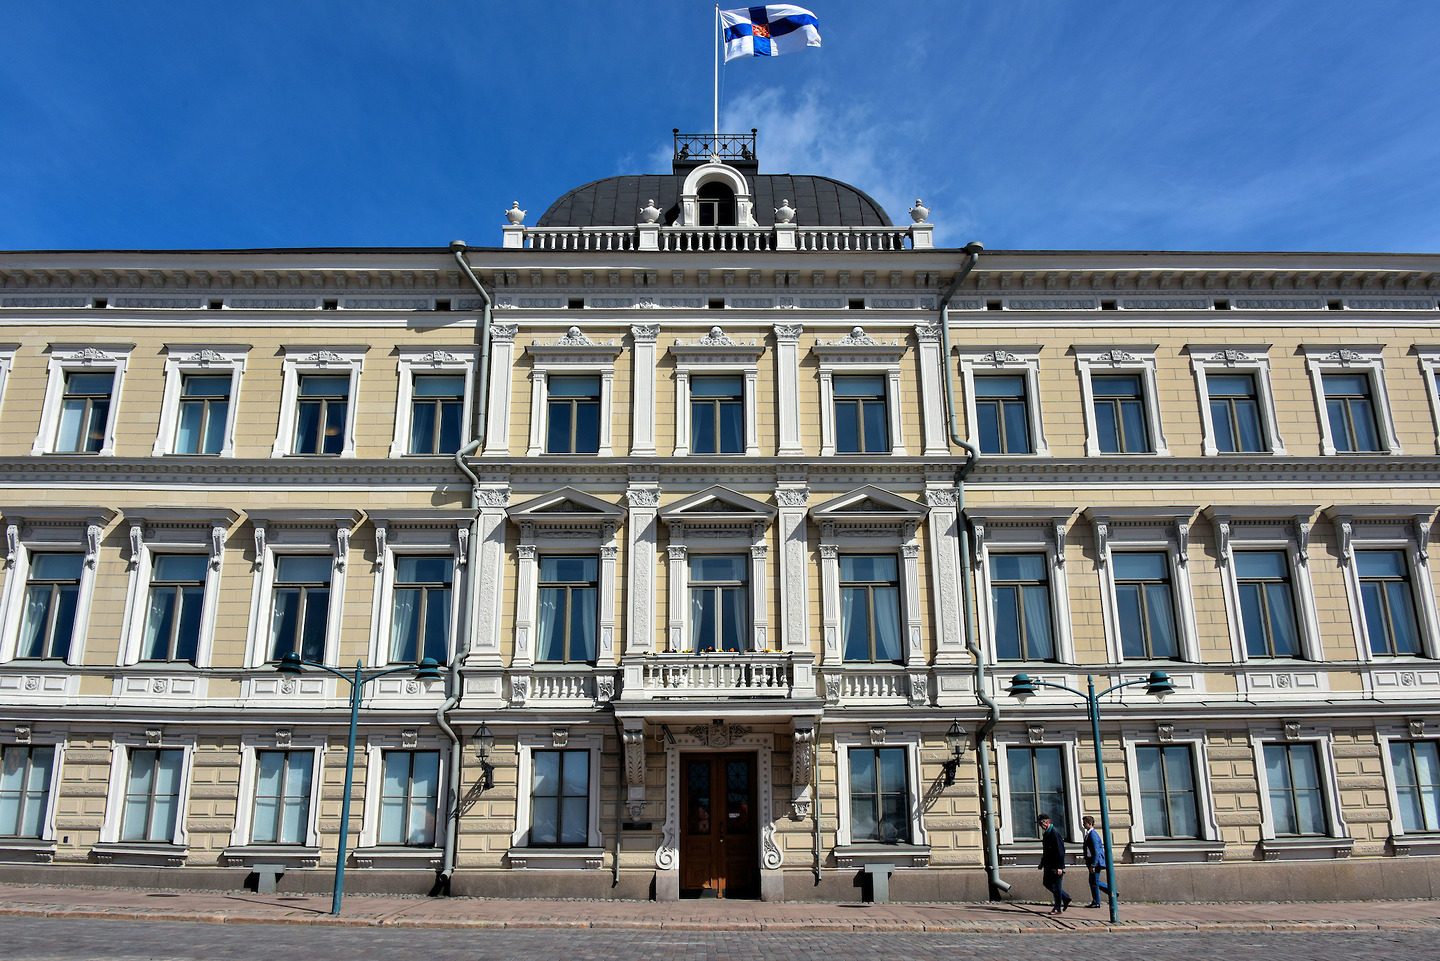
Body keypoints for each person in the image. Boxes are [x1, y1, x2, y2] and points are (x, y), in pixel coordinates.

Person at [1037, 813, 1071, 913]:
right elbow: (1046, 851)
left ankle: (1057, 908)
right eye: (1039, 823)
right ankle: (1065, 897)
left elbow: (1060, 851)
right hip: (1048, 865)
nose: (1040, 826)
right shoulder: (1047, 833)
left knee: (1056, 886)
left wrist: (1059, 867)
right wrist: (1042, 863)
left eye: (1041, 823)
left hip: (1055, 866)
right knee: (1047, 883)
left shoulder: (1054, 833)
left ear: (1047, 822)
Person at [1081, 815, 1110, 908]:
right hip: (1092, 861)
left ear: (1089, 824)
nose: (1083, 824)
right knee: (1093, 881)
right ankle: (1097, 900)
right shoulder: (1089, 833)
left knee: (1094, 881)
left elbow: (1096, 851)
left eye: (1084, 823)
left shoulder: (1092, 834)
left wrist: (1093, 864)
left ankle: (1098, 901)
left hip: (1095, 862)